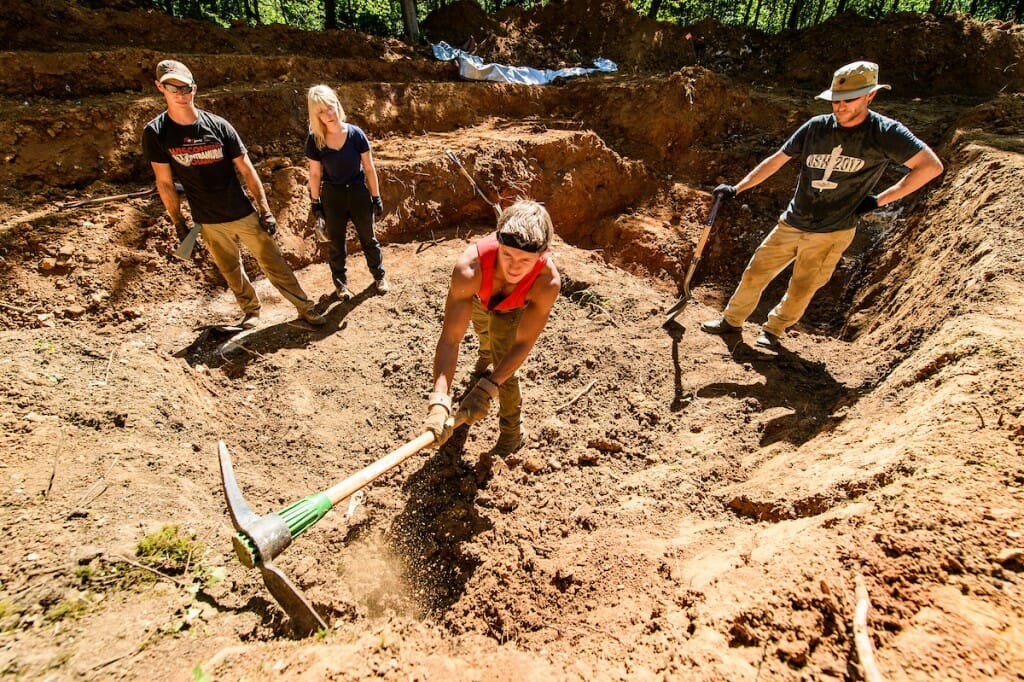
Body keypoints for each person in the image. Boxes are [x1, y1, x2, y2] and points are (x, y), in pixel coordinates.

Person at [701, 61, 943, 349]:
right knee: (756, 271)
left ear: (870, 96)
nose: (839, 108)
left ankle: (774, 330)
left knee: (802, 287)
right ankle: (731, 320)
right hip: (792, 221)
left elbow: (930, 166)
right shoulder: (815, 127)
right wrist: (737, 188)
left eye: (847, 101)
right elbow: (777, 160)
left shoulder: (885, 133)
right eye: (835, 101)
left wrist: (879, 200)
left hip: (832, 231)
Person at [142, 59, 325, 328]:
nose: (181, 95)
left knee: (273, 262)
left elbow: (248, 171)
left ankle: (304, 306)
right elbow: (165, 183)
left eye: (186, 88)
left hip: (241, 211)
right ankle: (251, 311)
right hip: (207, 219)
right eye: (173, 88)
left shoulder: (218, 126)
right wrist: (178, 222)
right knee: (230, 269)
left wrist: (265, 210)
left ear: (194, 88)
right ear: (160, 87)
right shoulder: (156, 133)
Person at [423, 200, 561, 457]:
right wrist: (439, 400)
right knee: (483, 333)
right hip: (478, 296)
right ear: (497, 242)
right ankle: (483, 359)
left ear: (542, 254)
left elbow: (523, 344)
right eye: (506, 254)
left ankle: (512, 432)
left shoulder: (546, 282)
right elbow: (451, 339)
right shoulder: (469, 269)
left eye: (525, 260)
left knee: (504, 361)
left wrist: (489, 387)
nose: (514, 267)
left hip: (514, 309)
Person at [305, 84, 388, 301]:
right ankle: (340, 284)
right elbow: (315, 174)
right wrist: (316, 203)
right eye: (321, 111)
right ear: (316, 116)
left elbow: (369, 168)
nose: (328, 114)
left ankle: (379, 277)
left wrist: (376, 196)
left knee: (368, 238)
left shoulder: (356, 134)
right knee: (336, 243)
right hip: (333, 195)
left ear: (337, 105)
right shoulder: (315, 140)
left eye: (330, 107)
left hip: (358, 191)